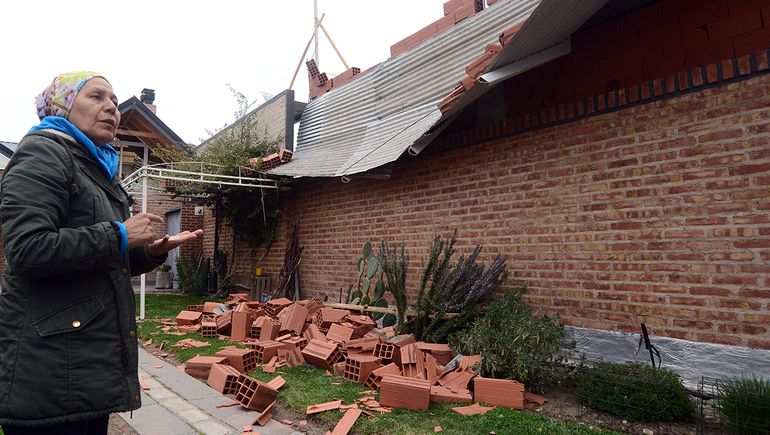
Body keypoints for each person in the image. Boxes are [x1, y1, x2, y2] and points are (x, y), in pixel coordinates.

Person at [0, 72, 203, 434]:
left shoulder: (95, 166)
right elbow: (27, 249)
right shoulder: (43, 153)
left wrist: (151, 253)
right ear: (63, 107)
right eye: (96, 96)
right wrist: (120, 234)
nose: (111, 106)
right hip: (51, 369)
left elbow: (105, 260)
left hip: (82, 367)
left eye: (113, 99)